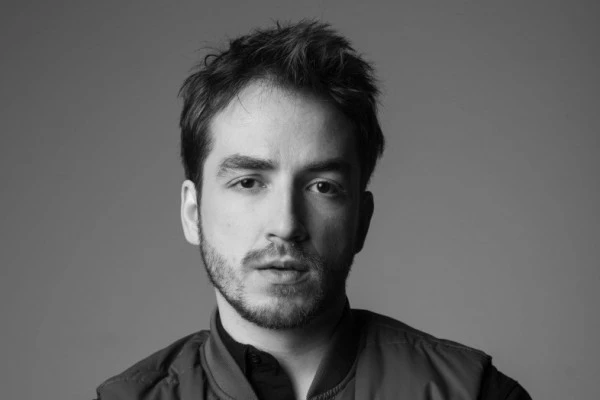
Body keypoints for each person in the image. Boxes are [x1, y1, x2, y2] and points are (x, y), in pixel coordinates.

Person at [95, 20, 531, 400]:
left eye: (323, 187)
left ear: (362, 220)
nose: (286, 225)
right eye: (248, 182)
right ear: (192, 213)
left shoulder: (474, 392)